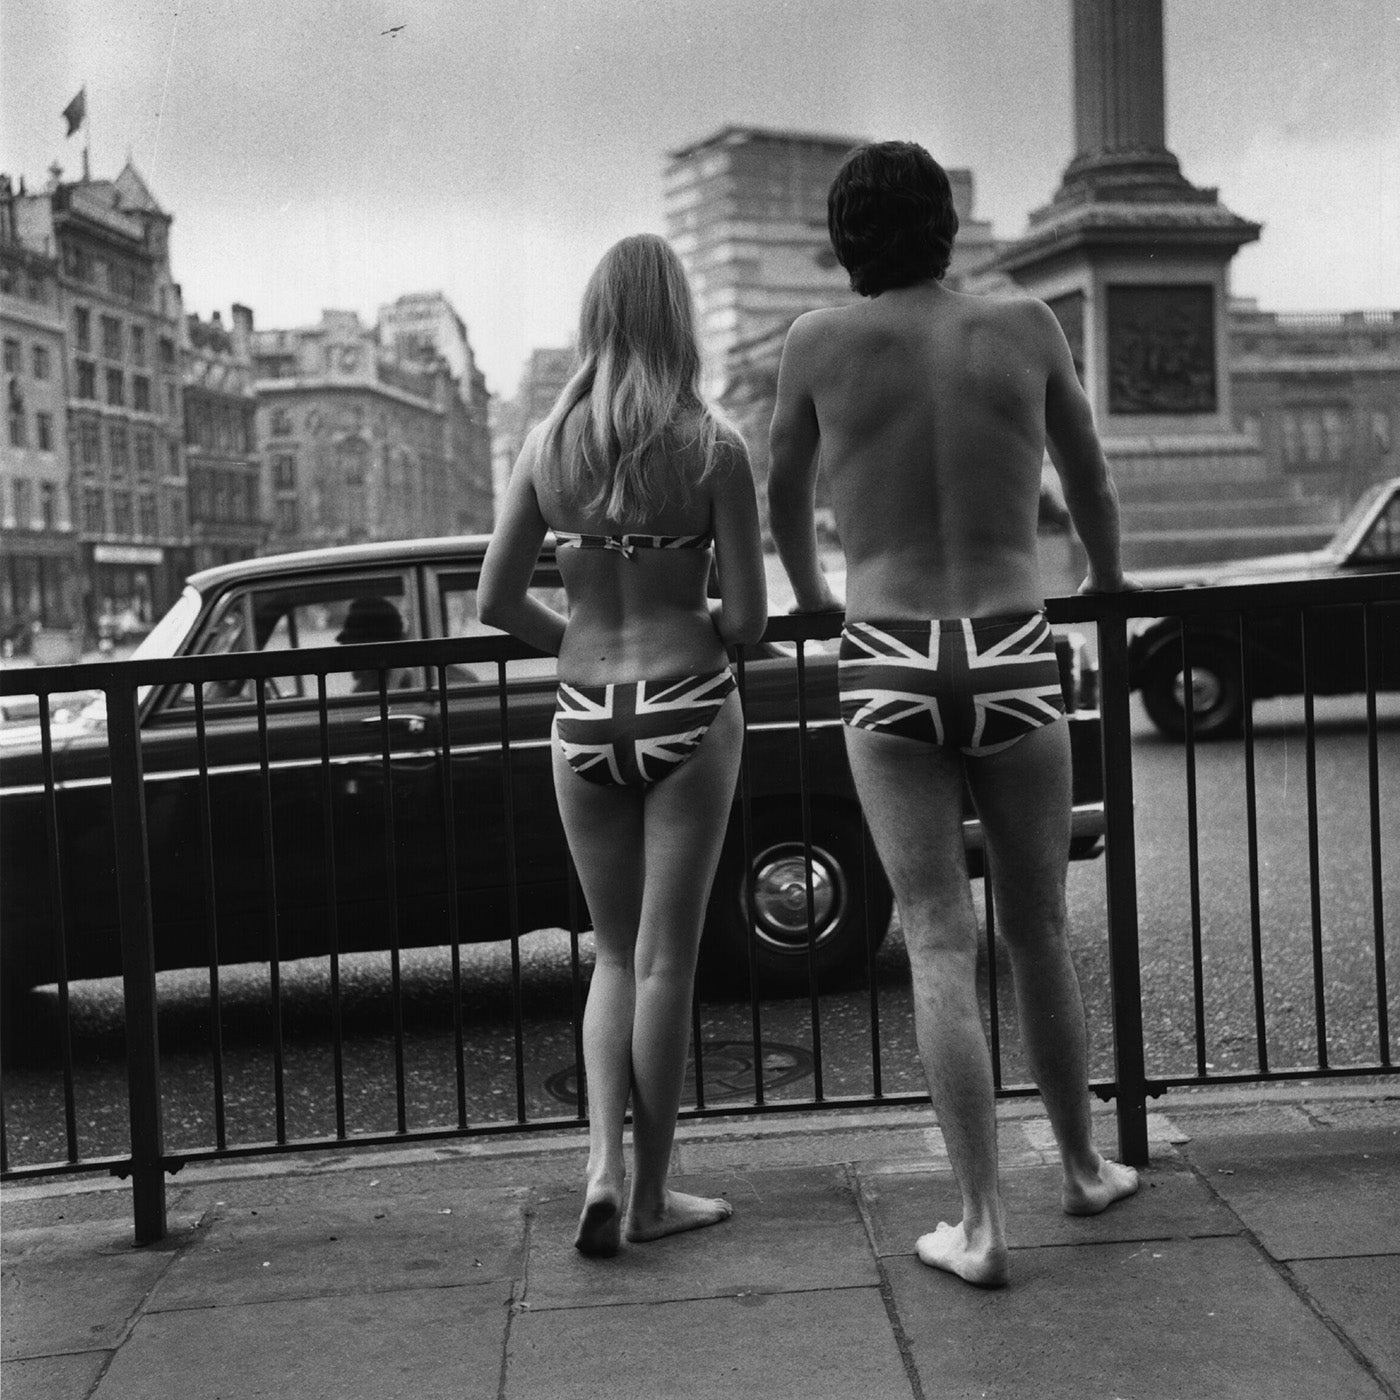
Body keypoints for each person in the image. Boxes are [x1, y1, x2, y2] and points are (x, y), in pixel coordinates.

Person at [767, 141, 1139, 1289]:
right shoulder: (1025, 326)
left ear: (844, 239)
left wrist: (819, 597)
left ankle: (977, 1223)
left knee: (933, 933)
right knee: (1035, 926)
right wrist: (1111, 585)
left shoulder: (817, 343)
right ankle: (1079, 1166)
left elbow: (781, 490)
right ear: (943, 227)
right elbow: (1086, 482)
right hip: (1011, 645)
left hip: (883, 651)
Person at [479, 233, 767, 1257]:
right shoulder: (713, 445)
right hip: (687, 700)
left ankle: (598, 1163)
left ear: (594, 317)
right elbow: (749, 624)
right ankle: (651, 1193)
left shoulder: (545, 444)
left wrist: (582, 649)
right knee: (665, 961)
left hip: (582, 713)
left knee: (607, 951)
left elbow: (493, 599)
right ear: (676, 317)